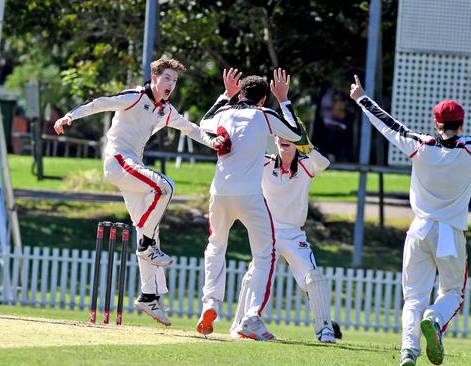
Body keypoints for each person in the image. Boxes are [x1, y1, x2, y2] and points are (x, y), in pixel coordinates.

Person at [53, 56, 227, 326]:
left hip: (134, 166)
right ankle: (147, 245)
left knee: (148, 227)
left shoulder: (165, 110)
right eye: (167, 78)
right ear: (154, 76)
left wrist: (213, 141)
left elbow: (190, 128)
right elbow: (100, 103)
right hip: (118, 161)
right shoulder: (134, 96)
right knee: (164, 187)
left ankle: (149, 296)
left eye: (175, 81)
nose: (171, 84)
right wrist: (70, 116)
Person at [350, 75, 470, 366]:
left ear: (435, 123)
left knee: (414, 296)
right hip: (451, 232)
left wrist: (361, 98)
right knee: (453, 291)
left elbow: (389, 125)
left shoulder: (421, 145)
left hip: (419, 230)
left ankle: (408, 351)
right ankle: (435, 319)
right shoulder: (467, 148)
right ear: (462, 124)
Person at [196, 68, 305, 340]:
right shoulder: (265, 115)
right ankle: (251, 318)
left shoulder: (223, 113)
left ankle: (209, 304)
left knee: (216, 246)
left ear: (239, 94)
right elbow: (295, 135)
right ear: (263, 100)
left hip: (219, 193)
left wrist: (225, 94)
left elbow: (203, 122)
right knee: (265, 255)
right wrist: (284, 99)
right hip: (249, 196)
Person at [228, 135, 337, 343]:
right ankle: (240, 325)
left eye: (289, 136)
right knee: (254, 275)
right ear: (274, 138)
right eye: (279, 135)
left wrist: (307, 145)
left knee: (314, 278)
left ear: (298, 140)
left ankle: (325, 330)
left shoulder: (306, 164)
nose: (283, 139)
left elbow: (324, 163)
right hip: (267, 231)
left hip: (294, 234)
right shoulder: (265, 162)